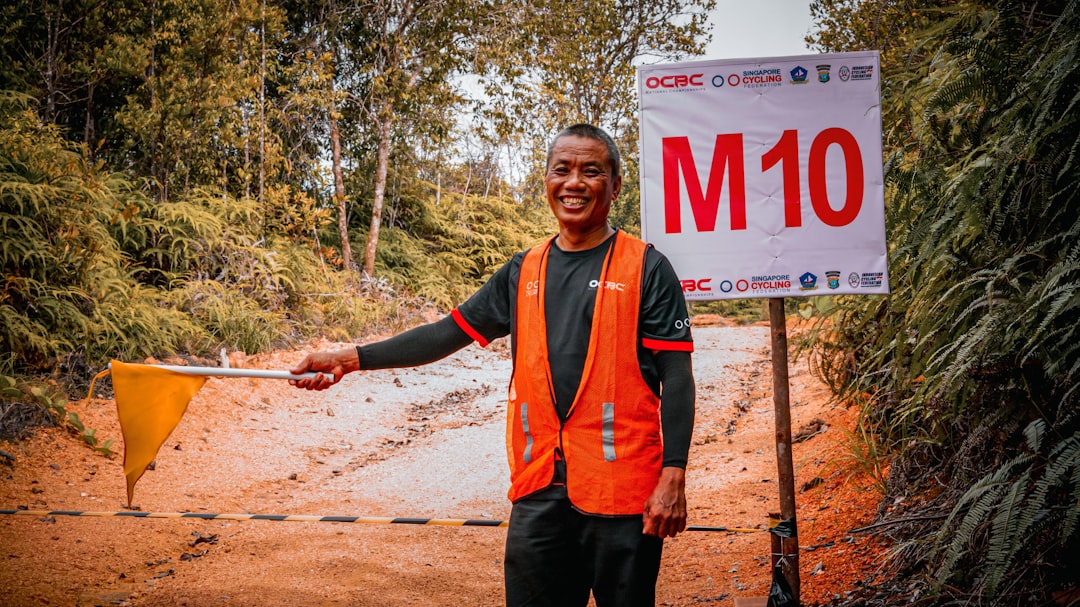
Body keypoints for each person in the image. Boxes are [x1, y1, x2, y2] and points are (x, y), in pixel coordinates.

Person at [290, 123, 695, 607]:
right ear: (545, 179)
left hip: (623, 495)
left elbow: (677, 376)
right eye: (561, 169)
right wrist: (350, 359)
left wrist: (673, 475)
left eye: (591, 171)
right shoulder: (523, 271)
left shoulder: (646, 267)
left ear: (615, 186)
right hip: (539, 489)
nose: (574, 183)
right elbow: (444, 334)